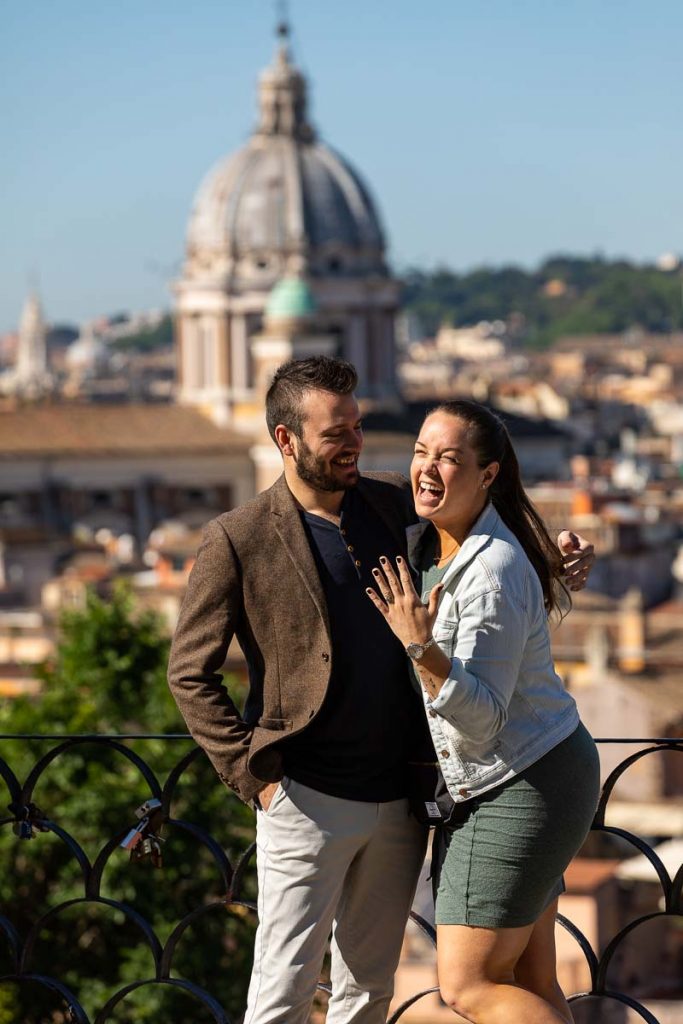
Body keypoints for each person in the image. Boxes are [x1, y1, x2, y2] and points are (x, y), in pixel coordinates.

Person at [167, 358, 595, 1024]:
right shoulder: (237, 538)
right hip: (305, 798)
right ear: (287, 440)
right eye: (336, 433)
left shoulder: (389, 501)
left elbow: (476, 523)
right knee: (281, 989)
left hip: (400, 797)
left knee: (367, 989)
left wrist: (552, 557)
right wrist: (254, 776)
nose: (354, 444)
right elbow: (189, 673)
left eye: (357, 427)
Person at [366, 399, 600, 1024]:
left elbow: (482, 719)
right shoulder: (436, 538)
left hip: (515, 783)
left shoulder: (489, 570)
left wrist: (422, 648)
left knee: (466, 986)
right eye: (421, 452)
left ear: (489, 474)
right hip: (542, 769)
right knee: (530, 976)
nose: (427, 469)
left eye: (448, 458)